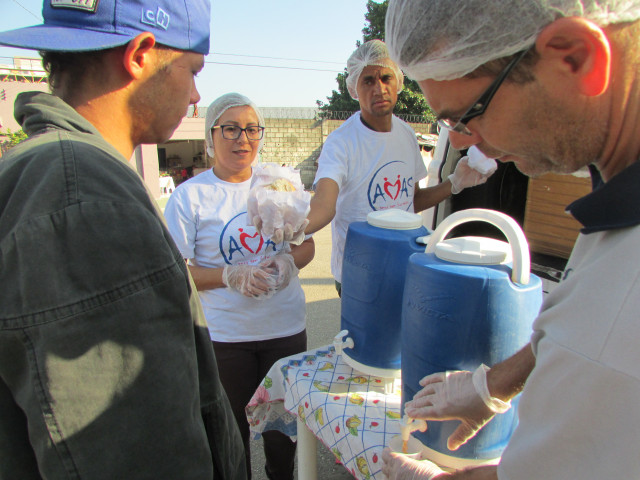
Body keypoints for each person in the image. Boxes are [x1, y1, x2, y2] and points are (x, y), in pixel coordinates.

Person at [381, 1, 640, 479]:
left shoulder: (624, 317)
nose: (463, 142)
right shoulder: (619, 201)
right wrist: (495, 385)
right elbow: (578, 320)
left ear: (575, 58)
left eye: (467, 116)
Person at [0, 1, 246, 479]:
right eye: (193, 70)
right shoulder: (83, 198)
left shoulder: (55, 172)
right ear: (139, 55)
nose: (196, 94)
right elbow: (136, 454)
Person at [164, 93, 315, 480]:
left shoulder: (279, 184)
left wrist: (287, 263)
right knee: (230, 436)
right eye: (230, 129)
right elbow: (174, 271)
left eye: (251, 129)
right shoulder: (190, 197)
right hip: (226, 339)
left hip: (284, 331)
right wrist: (228, 275)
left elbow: (307, 245)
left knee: (282, 431)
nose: (242, 138)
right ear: (210, 136)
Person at [304, 40, 493, 294]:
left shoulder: (406, 134)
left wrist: (455, 183)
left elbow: (412, 201)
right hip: (360, 273)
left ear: (398, 82)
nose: (379, 88)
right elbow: (324, 205)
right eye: (368, 81)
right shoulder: (341, 142)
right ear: (354, 88)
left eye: (386, 78)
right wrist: (292, 228)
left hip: (405, 265)